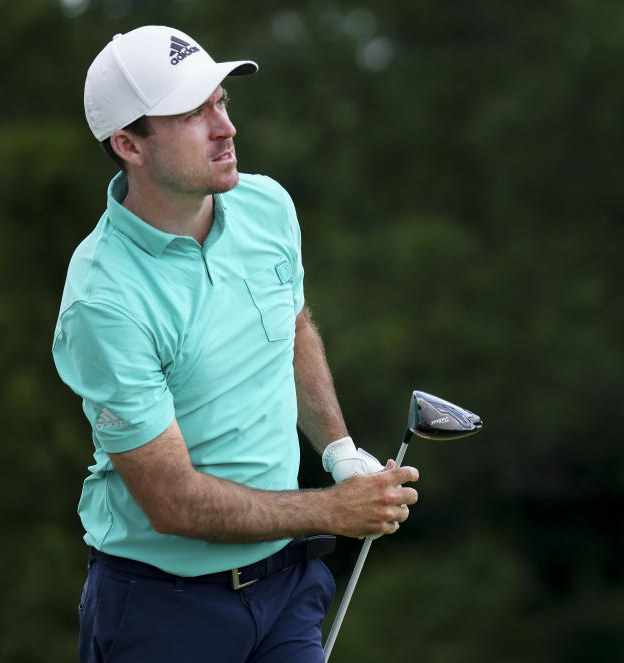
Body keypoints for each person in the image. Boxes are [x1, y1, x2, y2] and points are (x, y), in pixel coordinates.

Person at [51, 25, 419, 663]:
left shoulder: (267, 205)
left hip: (288, 589)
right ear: (127, 144)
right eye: (194, 113)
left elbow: (293, 326)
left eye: (221, 102)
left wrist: (338, 451)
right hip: (162, 610)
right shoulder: (104, 301)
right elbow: (172, 501)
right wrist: (331, 509)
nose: (225, 127)